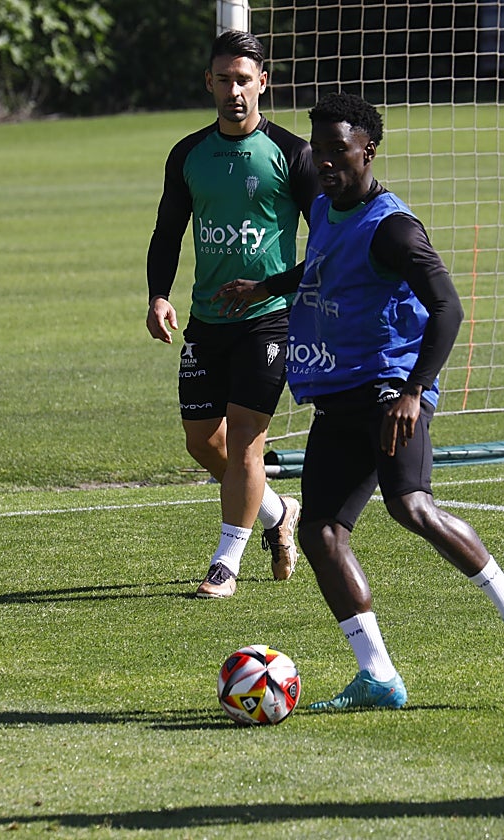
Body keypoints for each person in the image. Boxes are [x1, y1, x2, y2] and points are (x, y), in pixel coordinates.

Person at [216, 92, 504, 709]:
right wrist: (265, 285)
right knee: (318, 532)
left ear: (367, 150)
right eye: (318, 152)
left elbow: (448, 306)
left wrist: (415, 391)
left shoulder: (394, 228)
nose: (325, 161)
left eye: (337, 150)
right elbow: (319, 269)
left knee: (412, 507)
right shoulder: (323, 207)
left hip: (391, 391)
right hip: (339, 396)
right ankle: (379, 676)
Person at [145, 30, 319, 599]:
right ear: (210, 84)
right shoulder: (188, 154)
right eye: (224, 80)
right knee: (203, 442)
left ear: (263, 82)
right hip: (206, 320)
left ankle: (226, 562)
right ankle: (276, 512)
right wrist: (159, 295)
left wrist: (273, 286)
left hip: (269, 318)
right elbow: (168, 231)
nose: (234, 91)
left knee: (246, 438)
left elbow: (327, 246)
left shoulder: (293, 154)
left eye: (244, 80)